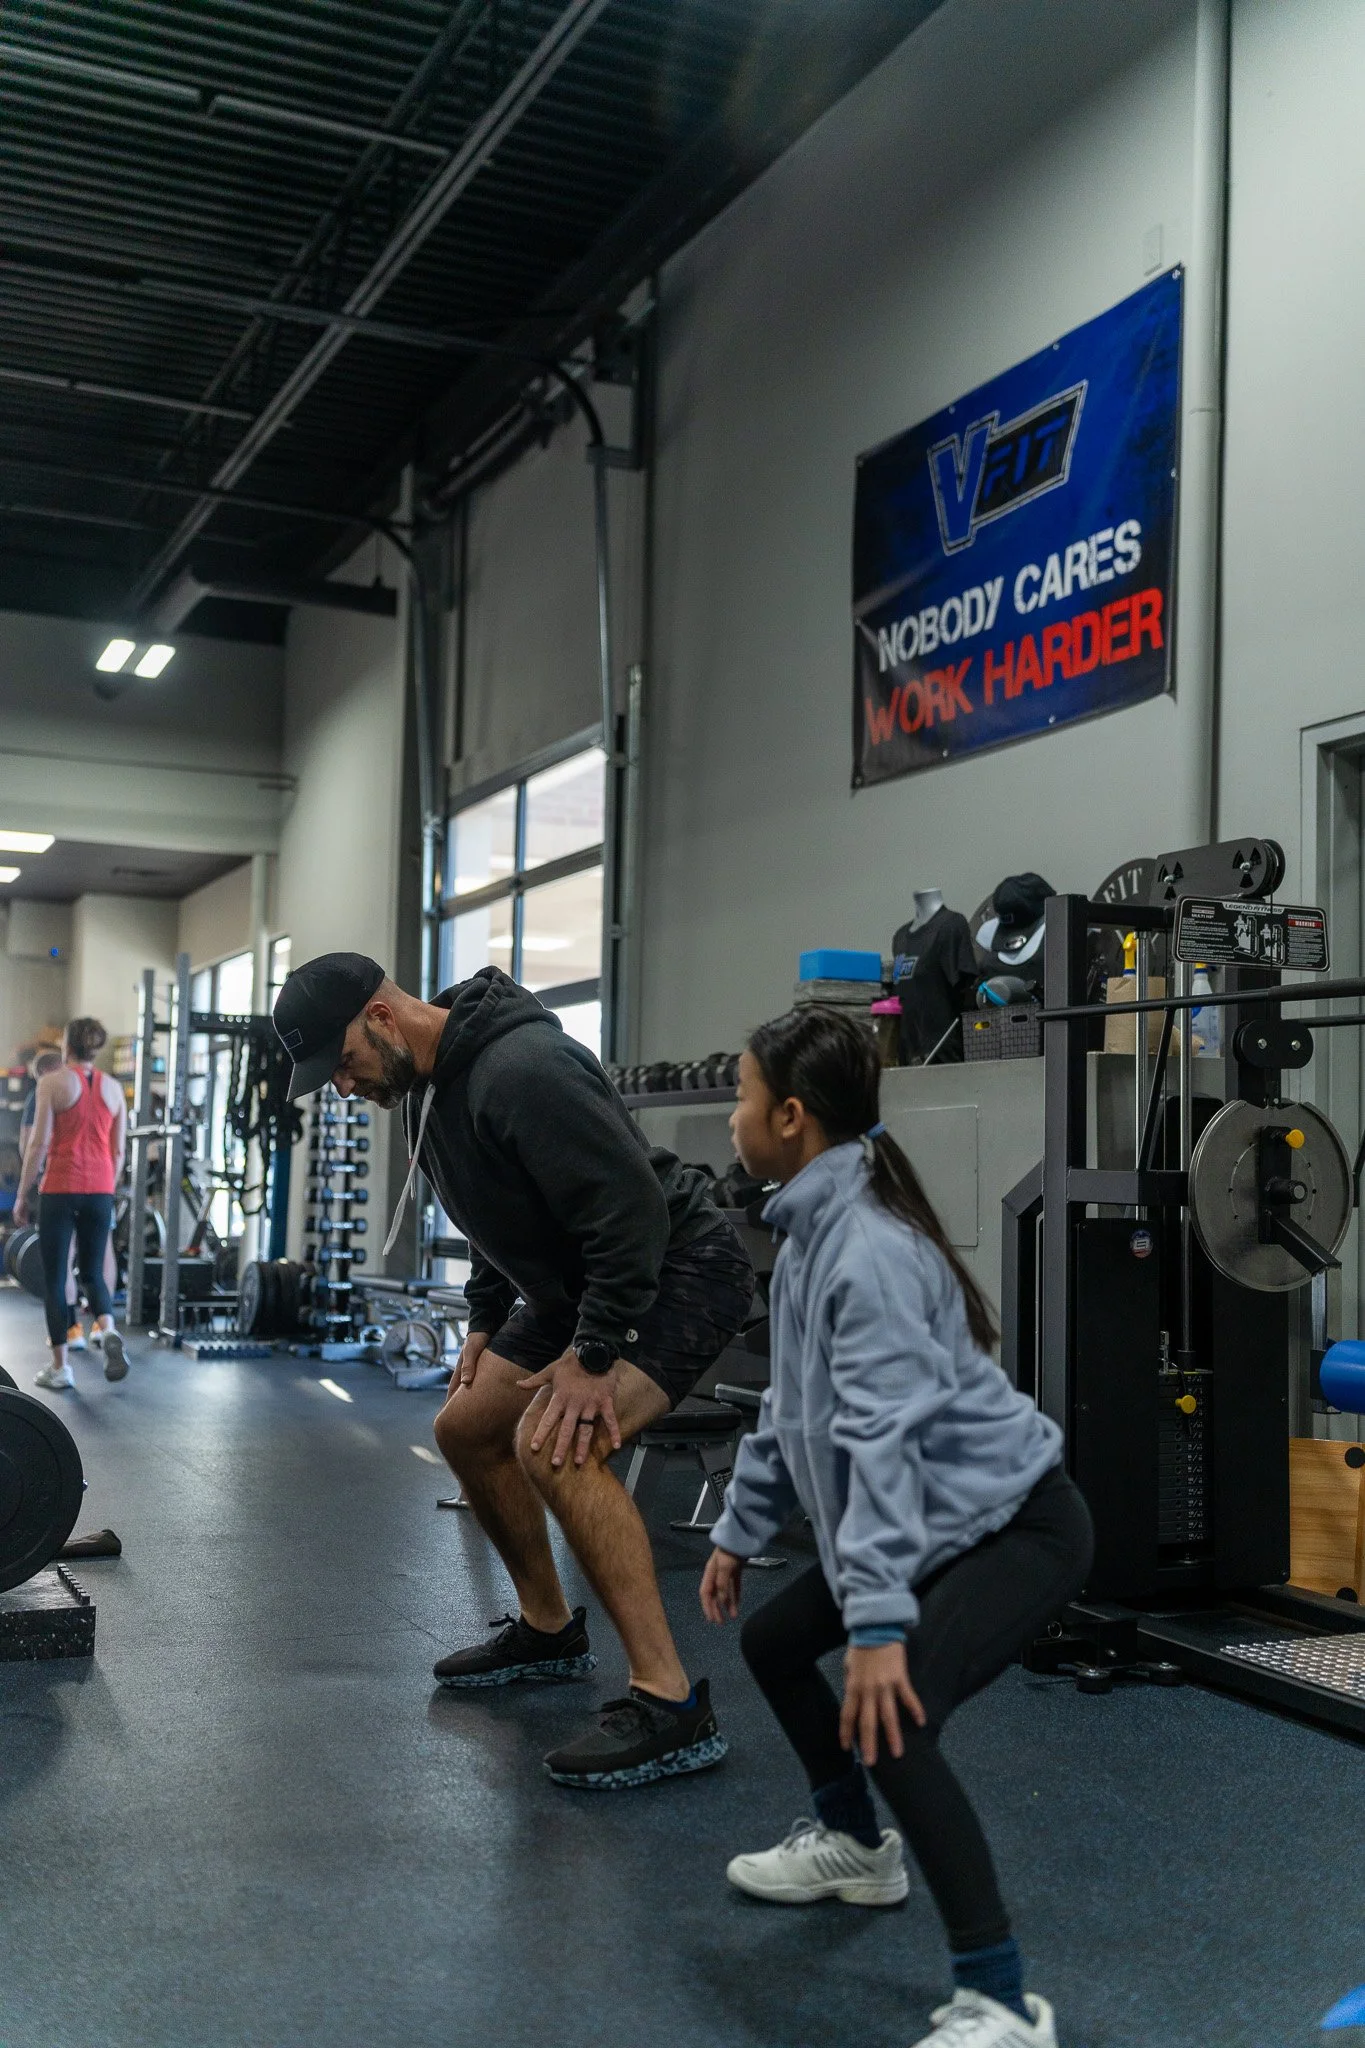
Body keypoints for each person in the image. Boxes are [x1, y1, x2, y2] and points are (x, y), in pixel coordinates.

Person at [701, 1007, 1093, 2048]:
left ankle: (1002, 2001)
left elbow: (882, 1446)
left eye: (741, 1097)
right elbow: (791, 1408)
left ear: (791, 1115)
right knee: (774, 1641)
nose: (732, 1117)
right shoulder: (810, 1231)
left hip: (1014, 1524)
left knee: (894, 1722)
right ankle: (855, 1849)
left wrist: (876, 1627)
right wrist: (739, 1527)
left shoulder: (866, 1251)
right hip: (931, 1520)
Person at [273, 953, 754, 1788]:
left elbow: (631, 1212)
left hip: (673, 1269)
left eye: (342, 1063)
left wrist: (594, 1355)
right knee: (465, 1427)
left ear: (381, 1017)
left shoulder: (524, 1068)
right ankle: (548, 1631)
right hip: (574, 1286)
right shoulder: (425, 1091)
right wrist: (486, 1320)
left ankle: (671, 1703)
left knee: (557, 1446)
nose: (344, 1087)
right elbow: (487, 1215)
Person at [15, 1017, 129, 1391]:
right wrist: (106, 1187)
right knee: (93, 1272)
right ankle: (107, 1329)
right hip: (100, 1189)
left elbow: (38, 1143)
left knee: (55, 1278)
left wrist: (22, 1193)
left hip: (60, 1187)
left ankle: (60, 1367)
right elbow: (119, 1150)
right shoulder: (114, 1088)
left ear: (67, 1045)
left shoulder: (52, 1083)